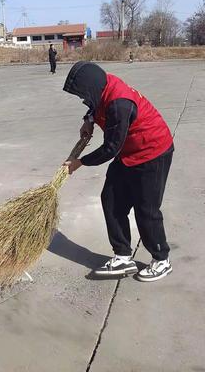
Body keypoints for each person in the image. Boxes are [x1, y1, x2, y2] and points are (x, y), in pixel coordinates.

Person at [63, 61, 174, 282]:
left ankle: (161, 260)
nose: (82, 98)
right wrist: (89, 120)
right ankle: (123, 256)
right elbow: (95, 105)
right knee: (112, 200)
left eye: (82, 93)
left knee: (146, 209)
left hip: (152, 152)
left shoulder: (119, 104)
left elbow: (110, 149)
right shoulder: (104, 86)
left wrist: (80, 162)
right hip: (129, 152)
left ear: (92, 86)